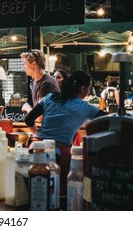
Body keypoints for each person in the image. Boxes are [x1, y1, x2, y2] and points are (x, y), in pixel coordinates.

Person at [24, 71, 106, 199]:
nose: (89, 92)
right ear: (82, 88)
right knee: (56, 196)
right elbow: (108, 120)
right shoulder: (85, 106)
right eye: (89, 88)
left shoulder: (50, 97)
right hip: (60, 154)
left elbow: (28, 119)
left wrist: (38, 137)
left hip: (36, 148)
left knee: (32, 192)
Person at [20, 49, 60, 114]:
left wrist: (27, 107)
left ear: (34, 64)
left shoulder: (47, 84)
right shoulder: (35, 80)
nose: (24, 67)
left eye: (25, 64)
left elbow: (39, 117)